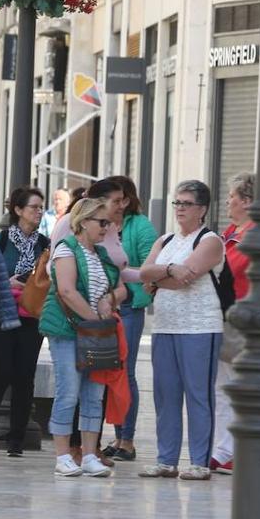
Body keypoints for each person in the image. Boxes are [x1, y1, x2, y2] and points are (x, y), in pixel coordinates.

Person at [137, 179, 225, 481]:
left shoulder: (210, 240)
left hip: (200, 327)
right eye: (176, 203)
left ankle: (200, 461)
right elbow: (143, 273)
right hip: (165, 327)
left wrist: (160, 277)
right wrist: (170, 270)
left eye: (186, 204)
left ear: (201, 209)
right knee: (165, 395)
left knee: (198, 394)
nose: (179, 209)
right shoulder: (164, 240)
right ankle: (166, 459)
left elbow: (184, 278)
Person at [40, 197, 126, 478]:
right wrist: (94, 319)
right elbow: (66, 291)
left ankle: (89, 455)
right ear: (83, 221)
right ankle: (63, 455)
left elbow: (122, 286)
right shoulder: (66, 250)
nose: (106, 228)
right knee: (69, 390)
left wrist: (111, 299)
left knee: (94, 392)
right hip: (68, 330)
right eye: (101, 222)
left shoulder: (101, 255)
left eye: (109, 223)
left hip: (94, 332)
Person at [0, 186, 50, 457]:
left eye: (41, 207)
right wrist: (4, 282)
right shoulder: (1, 240)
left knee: (24, 377)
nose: (38, 212)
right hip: (2, 314)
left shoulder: (45, 244)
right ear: (18, 210)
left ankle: (17, 438)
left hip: (32, 317)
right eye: (33, 207)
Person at [101, 175, 157, 463]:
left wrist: (124, 277)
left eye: (121, 198)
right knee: (110, 371)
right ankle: (117, 433)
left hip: (130, 305)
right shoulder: (104, 223)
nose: (118, 204)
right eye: (114, 199)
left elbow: (150, 267)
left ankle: (128, 438)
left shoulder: (141, 226)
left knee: (126, 371)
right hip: (104, 305)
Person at [210, 172, 255, 475]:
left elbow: (232, 267)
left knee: (237, 387)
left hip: (242, 318)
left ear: (247, 202)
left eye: (232, 197)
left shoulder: (253, 234)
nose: (227, 201)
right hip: (223, 315)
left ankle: (232, 450)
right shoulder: (230, 231)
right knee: (221, 388)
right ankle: (222, 451)